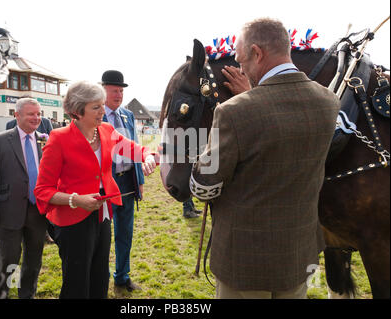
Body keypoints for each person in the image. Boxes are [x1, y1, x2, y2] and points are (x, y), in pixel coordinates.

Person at [190, 18, 341, 299]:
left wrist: (199, 153)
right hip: (298, 254)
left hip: (245, 262)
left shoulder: (233, 112)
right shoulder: (329, 101)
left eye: (241, 59)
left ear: (257, 53)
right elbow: (282, 135)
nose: (242, 67)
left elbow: (204, 187)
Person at [34, 81, 157, 299]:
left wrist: (147, 156)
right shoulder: (59, 138)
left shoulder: (107, 131)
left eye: (102, 105)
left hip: (103, 215)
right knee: (77, 283)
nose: (103, 111)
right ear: (77, 111)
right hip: (73, 221)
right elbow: (43, 190)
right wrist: (76, 200)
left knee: (100, 277)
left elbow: (134, 148)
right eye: (96, 107)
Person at [0, 98, 48, 299]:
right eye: (30, 114)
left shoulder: (45, 141)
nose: (36, 118)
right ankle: (4, 293)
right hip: (8, 210)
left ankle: (27, 294)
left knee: (34, 258)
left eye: (38, 114)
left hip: (38, 210)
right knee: (9, 259)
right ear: (17, 115)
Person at [101, 70, 145, 292]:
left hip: (127, 182)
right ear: (103, 90)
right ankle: (101, 275)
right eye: (114, 90)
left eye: (121, 90)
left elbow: (135, 147)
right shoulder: (93, 114)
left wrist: (140, 181)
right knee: (102, 234)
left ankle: (122, 276)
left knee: (125, 233)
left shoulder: (128, 115)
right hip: (103, 185)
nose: (118, 94)